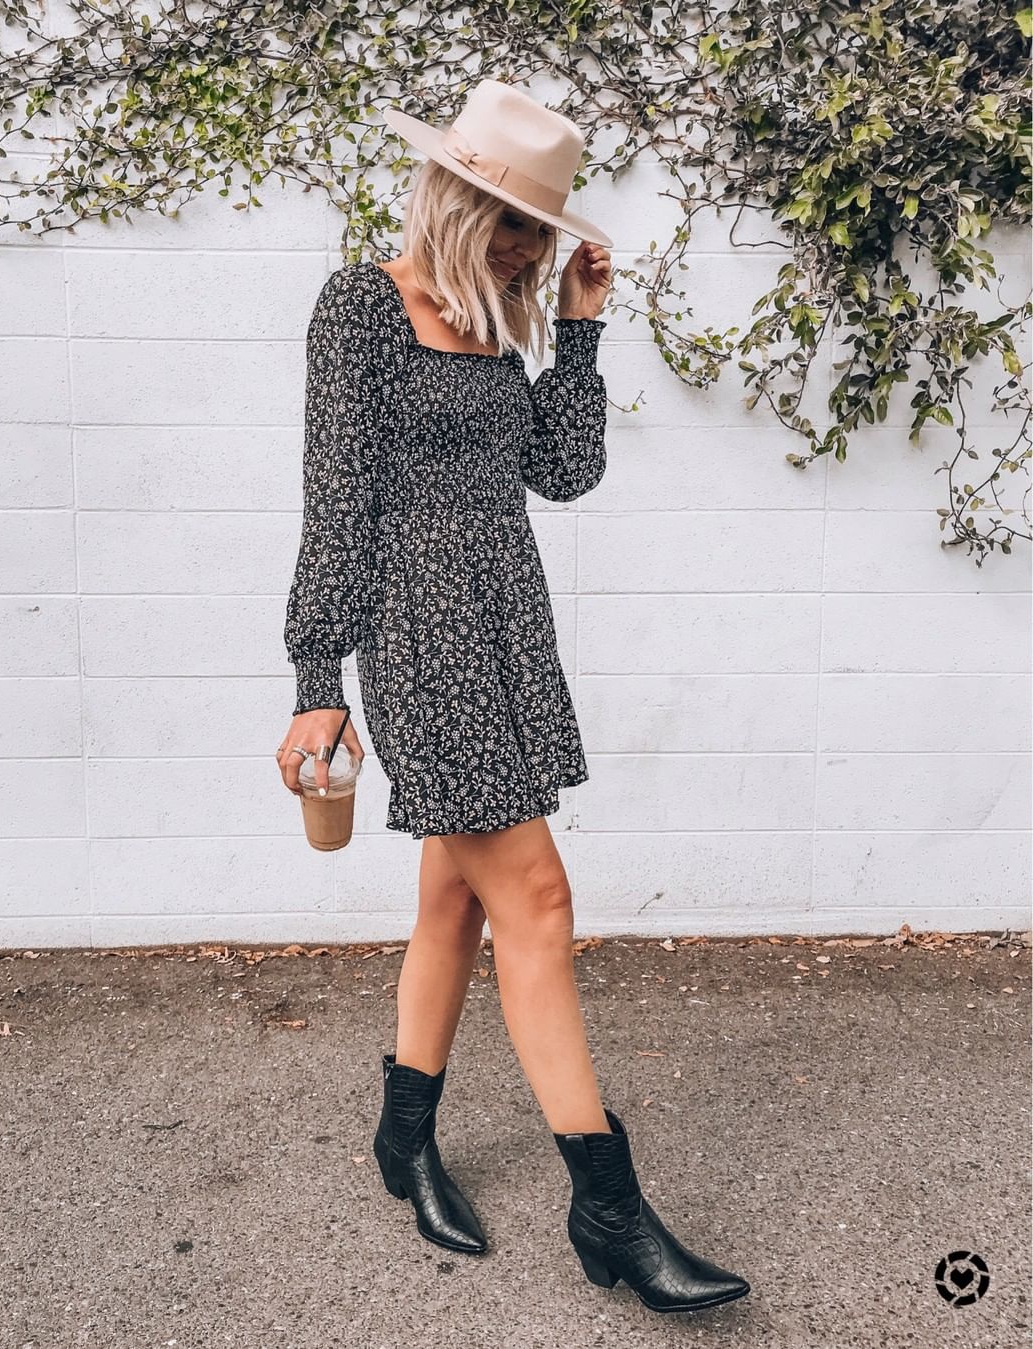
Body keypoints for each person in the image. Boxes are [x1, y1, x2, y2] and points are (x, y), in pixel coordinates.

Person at [276, 79, 750, 1315]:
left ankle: (403, 1137)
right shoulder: (362, 306)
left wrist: (578, 331)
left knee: (458, 898)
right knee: (535, 892)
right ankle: (610, 1210)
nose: (523, 246)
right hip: (420, 638)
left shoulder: (495, 320)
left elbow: (565, 469)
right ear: (450, 195)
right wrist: (319, 677)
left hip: (507, 630)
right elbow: (337, 496)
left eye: (538, 228)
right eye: (506, 220)